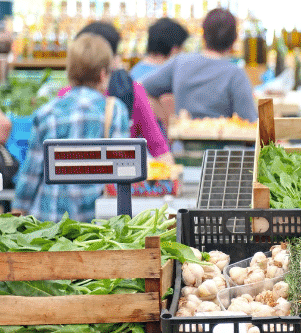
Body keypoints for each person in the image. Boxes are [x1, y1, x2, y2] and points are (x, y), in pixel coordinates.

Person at [13, 33, 130, 221]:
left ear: (69, 72)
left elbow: (31, 174)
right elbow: (122, 173)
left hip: (48, 224)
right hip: (94, 226)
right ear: (102, 74)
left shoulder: (46, 112)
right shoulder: (115, 111)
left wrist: (17, 212)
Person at [61, 21, 174, 165]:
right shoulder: (128, 98)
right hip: (116, 182)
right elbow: (159, 149)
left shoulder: (63, 99)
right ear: (110, 60)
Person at [143, 8, 258, 122]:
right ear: (234, 39)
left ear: (203, 34)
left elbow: (141, 89)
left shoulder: (180, 63)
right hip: (223, 139)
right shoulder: (235, 75)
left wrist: (166, 123)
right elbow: (249, 121)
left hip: (183, 138)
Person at [130, 17, 189, 81]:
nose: (183, 52)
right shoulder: (166, 79)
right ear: (174, 49)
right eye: (181, 48)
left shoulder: (134, 73)